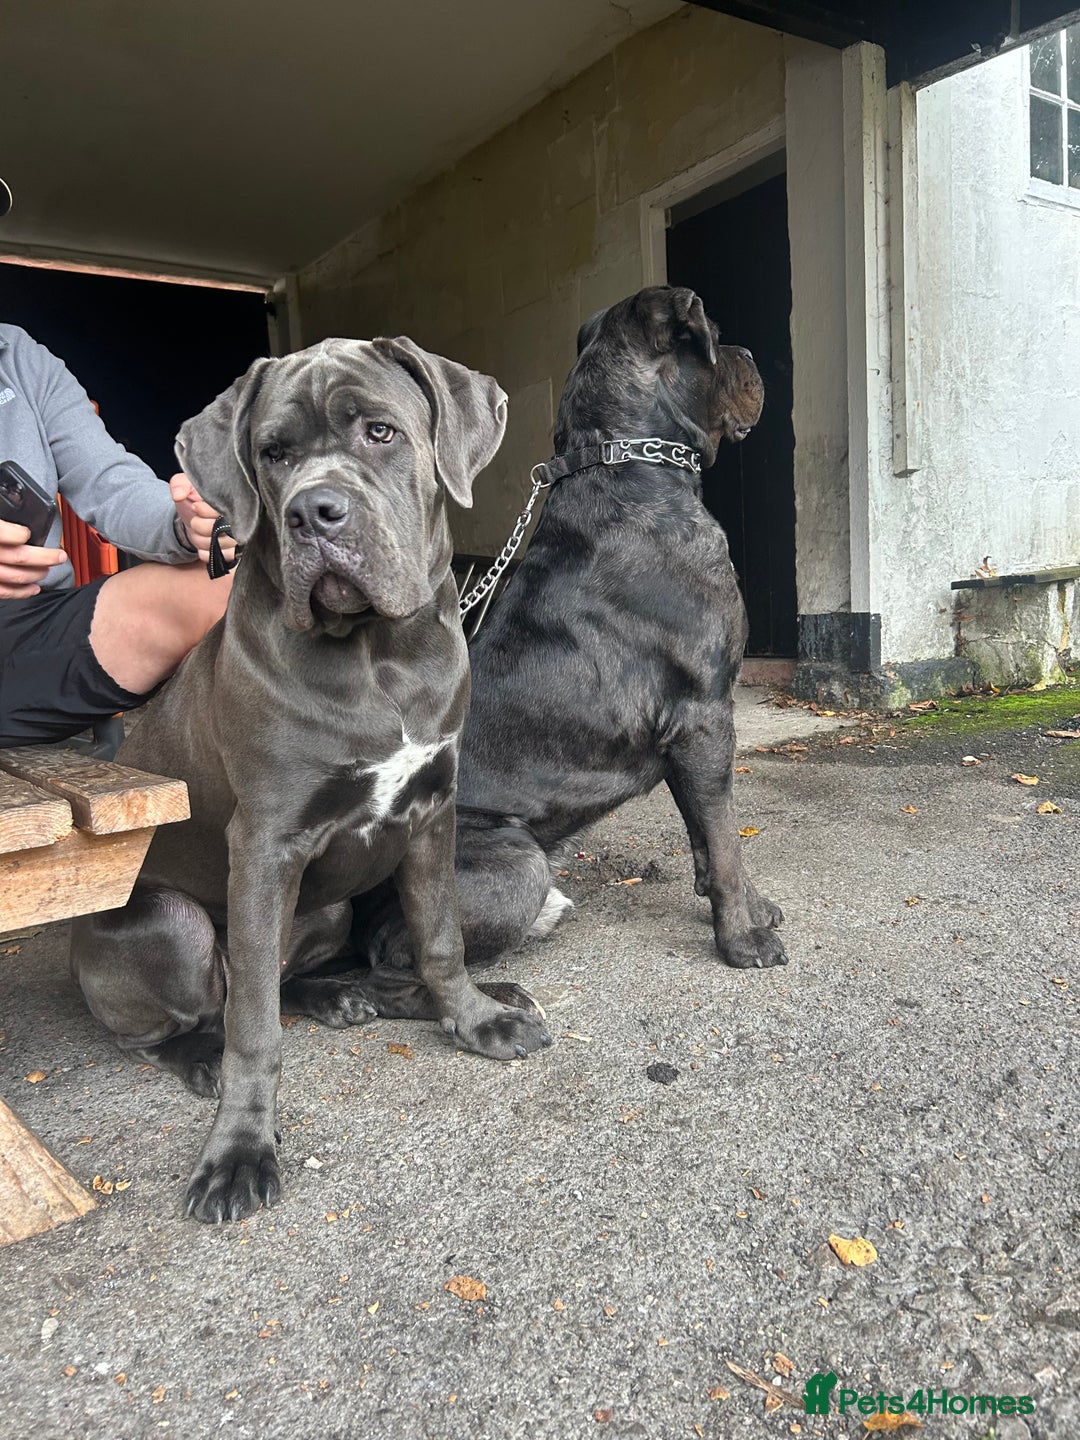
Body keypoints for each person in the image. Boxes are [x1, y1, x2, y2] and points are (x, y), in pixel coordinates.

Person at [0, 317, 238, 746]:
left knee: (232, 583)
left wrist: (184, 522)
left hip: (33, 631)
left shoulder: (17, 355)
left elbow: (109, 480)